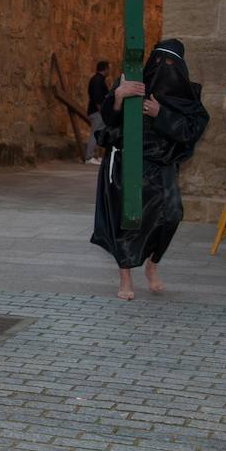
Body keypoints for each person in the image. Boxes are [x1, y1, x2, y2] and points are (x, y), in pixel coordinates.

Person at [91, 41, 210, 300]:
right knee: (127, 220)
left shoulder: (186, 95)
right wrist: (119, 96)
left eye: (170, 64)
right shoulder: (131, 82)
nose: (163, 69)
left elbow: (192, 130)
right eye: (159, 61)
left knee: (171, 215)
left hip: (162, 165)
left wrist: (161, 113)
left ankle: (153, 264)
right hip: (126, 162)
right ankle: (125, 278)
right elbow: (110, 121)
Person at [85, 60, 110, 164]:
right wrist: (102, 111)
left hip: (97, 111)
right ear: (105, 69)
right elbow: (97, 98)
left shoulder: (98, 80)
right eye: (108, 69)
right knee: (95, 133)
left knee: (99, 133)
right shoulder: (97, 80)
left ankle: (95, 156)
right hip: (97, 112)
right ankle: (89, 157)